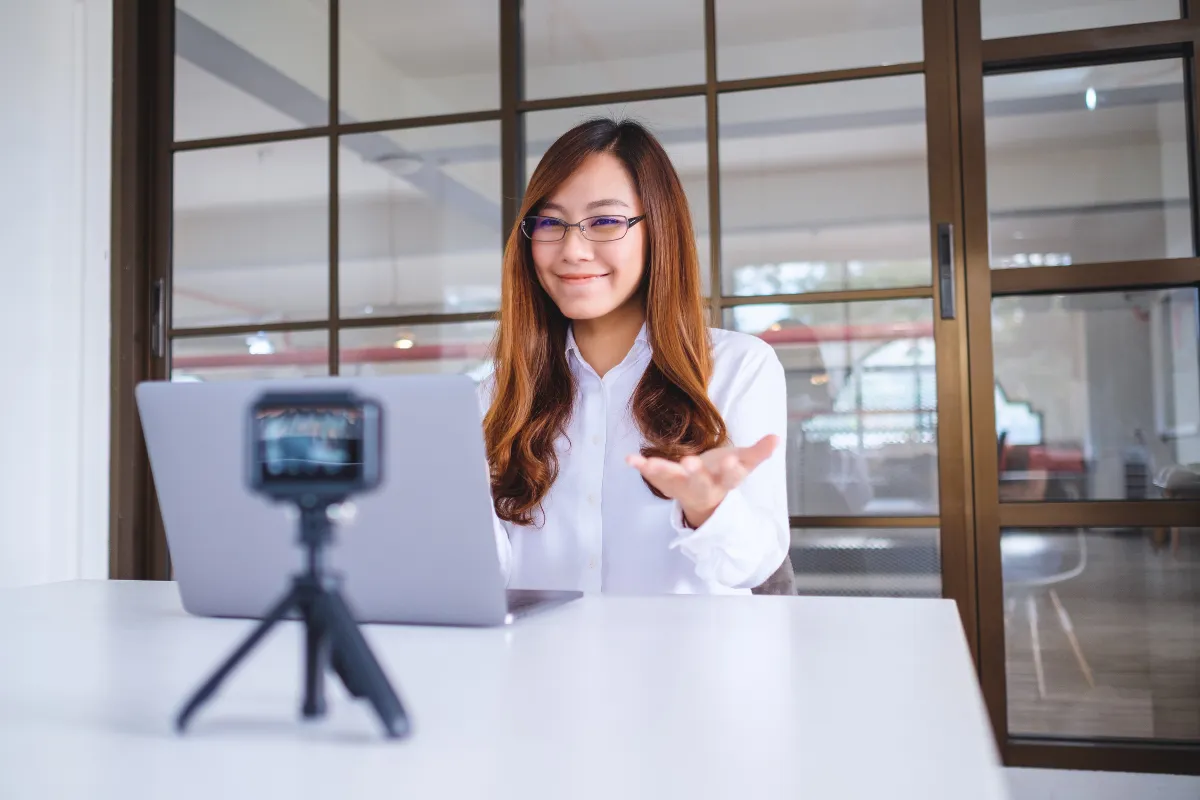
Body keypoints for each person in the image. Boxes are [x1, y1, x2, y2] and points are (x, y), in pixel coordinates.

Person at [481, 117, 789, 595]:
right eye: (550, 223)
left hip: (689, 666)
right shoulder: (498, 394)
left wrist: (706, 506)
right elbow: (485, 574)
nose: (573, 250)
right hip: (540, 665)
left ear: (657, 231)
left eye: (604, 221)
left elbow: (753, 566)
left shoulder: (735, 367)